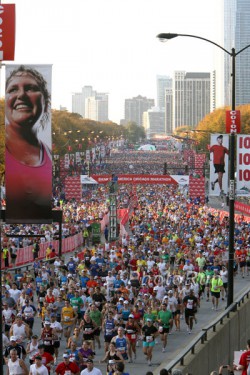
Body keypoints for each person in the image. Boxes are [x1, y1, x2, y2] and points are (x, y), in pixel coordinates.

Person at [5, 64, 52, 222]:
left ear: (45, 102)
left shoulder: (49, 155)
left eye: (31, 88)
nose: (21, 95)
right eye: (13, 89)